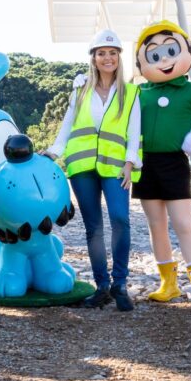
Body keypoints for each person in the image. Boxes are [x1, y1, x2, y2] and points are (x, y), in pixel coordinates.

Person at [132, 21, 191, 306]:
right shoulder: (138, 93)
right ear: (141, 62)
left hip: (174, 162)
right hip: (144, 163)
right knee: (156, 225)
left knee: (183, 223)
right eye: (154, 55)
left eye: (171, 51)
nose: (164, 59)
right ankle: (168, 283)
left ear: (187, 51)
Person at [44, 29, 141, 312]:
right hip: (82, 165)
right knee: (94, 228)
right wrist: (54, 151)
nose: (107, 58)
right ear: (93, 58)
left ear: (119, 58)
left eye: (112, 53)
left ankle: (119, 284)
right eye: (101, 53)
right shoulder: (81, 88)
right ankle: (102, 286)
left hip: (114, 166)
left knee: (121, 219)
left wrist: (129, 162)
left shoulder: (131, 91)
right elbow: (68, 123)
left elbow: (134, 130)